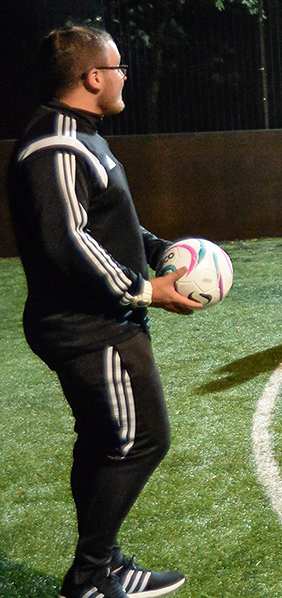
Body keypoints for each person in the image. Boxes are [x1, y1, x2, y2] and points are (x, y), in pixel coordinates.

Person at [7, 26, 201, 598]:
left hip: (96, 319)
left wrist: (159, 249)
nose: (123, 78)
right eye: (117, 68)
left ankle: (105, 564)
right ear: (93, 77)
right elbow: (68, 241)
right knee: (141, 439)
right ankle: (91, 577)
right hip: (89, 327)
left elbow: (105, 221)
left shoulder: (80, 135)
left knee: (104, 440)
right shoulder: (57, 145)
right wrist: (146, 289)